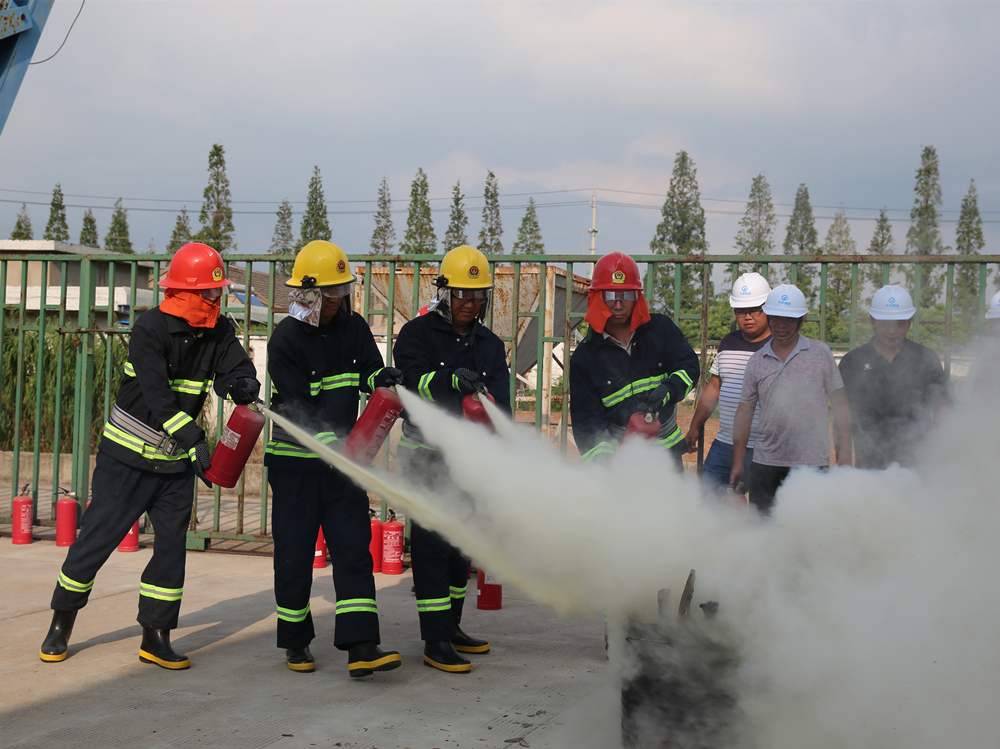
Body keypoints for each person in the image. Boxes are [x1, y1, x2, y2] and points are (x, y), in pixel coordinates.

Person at [40, 243, 260, 669]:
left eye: (220, 294)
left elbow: (234, 368)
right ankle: (61, 622)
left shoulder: (218, 331)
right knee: (96, 542)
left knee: (171, 551)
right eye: (211, 294)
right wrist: (196, 439)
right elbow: (160, 399)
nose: (218, 301)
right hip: (126, 461)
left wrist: (242, 385)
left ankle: (155, 637)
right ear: (185, 293)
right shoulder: (149, 329)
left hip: (174, 466)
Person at [266, 240, 402, 677]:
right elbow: (299, 404)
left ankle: (362, 646)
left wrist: (381, 377)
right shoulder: (284, 338)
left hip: (342, 465)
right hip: (296, 466)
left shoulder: (353, 327)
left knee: (353, 552)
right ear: (306, 293)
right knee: (294, 552)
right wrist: (335, 445)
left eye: (342, 291)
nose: (338, 300)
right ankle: (295, 641)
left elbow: (368, 370)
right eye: (330, 293)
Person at [392, 245, 511, 674]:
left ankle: (454, 627)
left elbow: (504, 410)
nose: (469, 303)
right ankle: (434, 639)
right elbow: (408, 386)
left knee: (462, 547)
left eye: (477, 295)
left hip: (471, 461)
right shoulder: (416, 335)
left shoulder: (492, 346)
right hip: (427, 456)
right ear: (443, 292)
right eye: (462, 293)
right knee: (432, 547)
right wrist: (448, 379)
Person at [729, 284, 851, 515]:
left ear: (802, 319)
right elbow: (744, 412)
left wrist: (843, 454)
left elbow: (841, 404)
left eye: (789, 319)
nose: (781, 325)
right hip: (767, 463)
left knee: (810, 532)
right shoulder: (757, 360)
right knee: (763, 529)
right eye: (775, 318)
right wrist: (737, 463)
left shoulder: (820, 353)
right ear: (768, 317)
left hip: (812, 463)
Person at [569, 252, 699, 466]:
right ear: (597, 297)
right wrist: (608, 466)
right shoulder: (585, 357)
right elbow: (588, 423)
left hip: (667, 456)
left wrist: (666, 390)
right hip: (621, 462)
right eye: (610, 295)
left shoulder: (661, 330)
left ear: (637, 296)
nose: (618, 305)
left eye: (626, 294)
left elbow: (689, 367)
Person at [838, 285, 948, 469]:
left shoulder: (926, 358)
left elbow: (942, 409)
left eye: (900, 323)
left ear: (909, 323)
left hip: (918, 464)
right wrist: (844, 456)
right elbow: (843, 415)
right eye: (885, 323)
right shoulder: (853, 361)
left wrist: (947, 454)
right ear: (873, 321)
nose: (892, 331)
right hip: (869, 465)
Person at [685, 272, 772, 488]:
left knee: (761, 514)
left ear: (768, 308)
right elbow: (714, 387)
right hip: (725, 444)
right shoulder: (728, 342)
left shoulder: (778, 347)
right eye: (741, 311)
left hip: (766, 449)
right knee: (708, 505)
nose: (748, 316)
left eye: (755, 309)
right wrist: (695, 426)